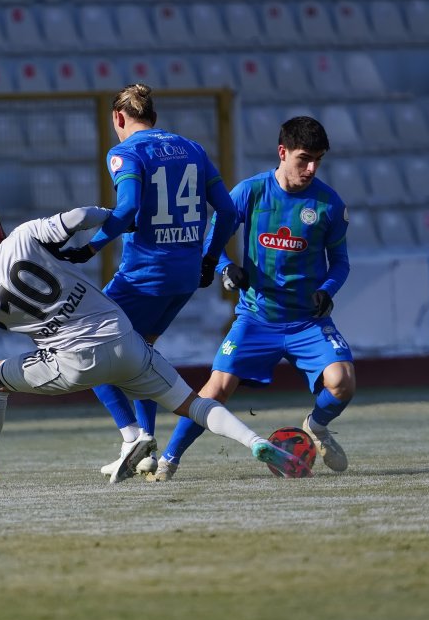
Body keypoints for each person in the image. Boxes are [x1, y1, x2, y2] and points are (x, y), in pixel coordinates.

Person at [0, 203, 308, 488]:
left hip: (72, 364)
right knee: (192, 403)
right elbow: (81, 215)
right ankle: (255, 441)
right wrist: (117, 219)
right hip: (123, 340)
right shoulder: (26, 235)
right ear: (0, 229)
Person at [152, 116, 356, 481]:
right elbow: (212, 241)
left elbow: (340, 263)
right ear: (282, 152)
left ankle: (316, 425)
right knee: (215, 390)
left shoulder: (329, 204)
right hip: (256, 317)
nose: (312, 169)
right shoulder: (250, 192)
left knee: (342, 381)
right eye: (304, 159)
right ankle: (168, 461)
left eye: (318, 160)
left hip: (307, 321)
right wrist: (226, 268)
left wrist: (327, 290)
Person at [57, 83, 236, 478]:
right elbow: (227, 211)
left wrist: (90, 247)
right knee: (140, 353)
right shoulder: (193, 149)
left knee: (84, 344)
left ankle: (133, 436)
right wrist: (210, 259)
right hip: (185, 277)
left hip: (145, 277)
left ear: (118, 117)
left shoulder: (126, 153)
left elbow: (128, 208)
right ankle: (147, 448)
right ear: (153, 116)